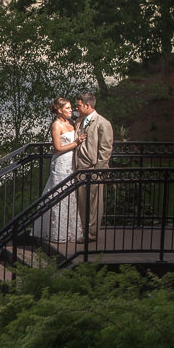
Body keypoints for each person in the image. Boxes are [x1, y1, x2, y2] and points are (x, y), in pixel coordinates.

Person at [33, 97, 82, 244]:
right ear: (60, 110)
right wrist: (76, 143)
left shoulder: (71, 122)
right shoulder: (56, 125)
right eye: (68, 108)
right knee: (60, 194)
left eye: (71, 107)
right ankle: (57, 232)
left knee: (71, 195)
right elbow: (58, 148)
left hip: (72, 163)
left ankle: (71, 231)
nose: (71, 110)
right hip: (61, 162)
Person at [73, 92, 114, 242]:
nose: (76, 109)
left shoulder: (103, 123)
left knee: (94, 204)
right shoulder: (79, 120)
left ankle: (92, 234)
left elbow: (105, 150)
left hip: (92, 170)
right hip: (78, 169)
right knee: (83, 203)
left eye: (78, 105)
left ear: (87, 105)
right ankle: (83, 231)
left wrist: (98, 171)